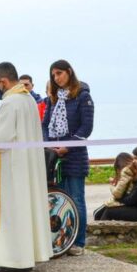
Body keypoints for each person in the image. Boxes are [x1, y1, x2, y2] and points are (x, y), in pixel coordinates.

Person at [0, 62, 53, 272]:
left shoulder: (11, 102)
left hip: (12, 168)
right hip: (25, 164)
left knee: (12, 212)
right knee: (24, 210)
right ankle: (26, 256)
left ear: (2, 80)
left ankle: (15, 260)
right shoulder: (28, 99)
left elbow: (2, 138)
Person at [42, 60, 94, 256]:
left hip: (74, 155)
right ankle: (62, 240)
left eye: (59, 74)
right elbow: (45, 125)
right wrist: (49, 144)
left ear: (69, 72)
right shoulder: (51, 100)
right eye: (53, 75)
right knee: (59, 200)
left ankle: (78, 241)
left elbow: (86, 127)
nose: (57, 78)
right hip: (54, 156)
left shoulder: (83, 97)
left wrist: (67, 146)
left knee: (76, 198)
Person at [93, 152, 135, 220]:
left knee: (97, 213)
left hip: (123, 202)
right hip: (127, 200)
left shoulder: (126, 173)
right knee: (99, 213)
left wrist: (112, 186)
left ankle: (102, 229)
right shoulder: (132, 171)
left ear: (119, 167)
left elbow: (117, 194)